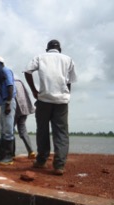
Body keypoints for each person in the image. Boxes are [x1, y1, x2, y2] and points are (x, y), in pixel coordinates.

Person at [24, 39, 77, 175]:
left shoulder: (40, 57)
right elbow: (70, 81)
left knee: (42, 130)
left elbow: (27, 71)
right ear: (60, 49)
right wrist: (66, 95)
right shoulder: (68, 59)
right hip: (61, 101)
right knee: (61, 132)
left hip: (44, 99)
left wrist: (34, 91)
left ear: (47, 49)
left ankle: (41, 161)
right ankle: (59, 165)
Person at [0, 56, 16, 165]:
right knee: (3, 130)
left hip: (8, 102)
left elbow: (10, 86)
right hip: (2, 102)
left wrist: (8, 103)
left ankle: (8, 156)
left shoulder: (6, 71)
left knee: (8, 130)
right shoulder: (0, 73)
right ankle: (1, 155)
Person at [13, 79, 36, 159]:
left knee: (9, 131)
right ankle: (31, 151)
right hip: (25, 108)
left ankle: (11, 153)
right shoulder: (20, 82)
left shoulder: (8, 82)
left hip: (15, 109)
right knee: (23, 130)